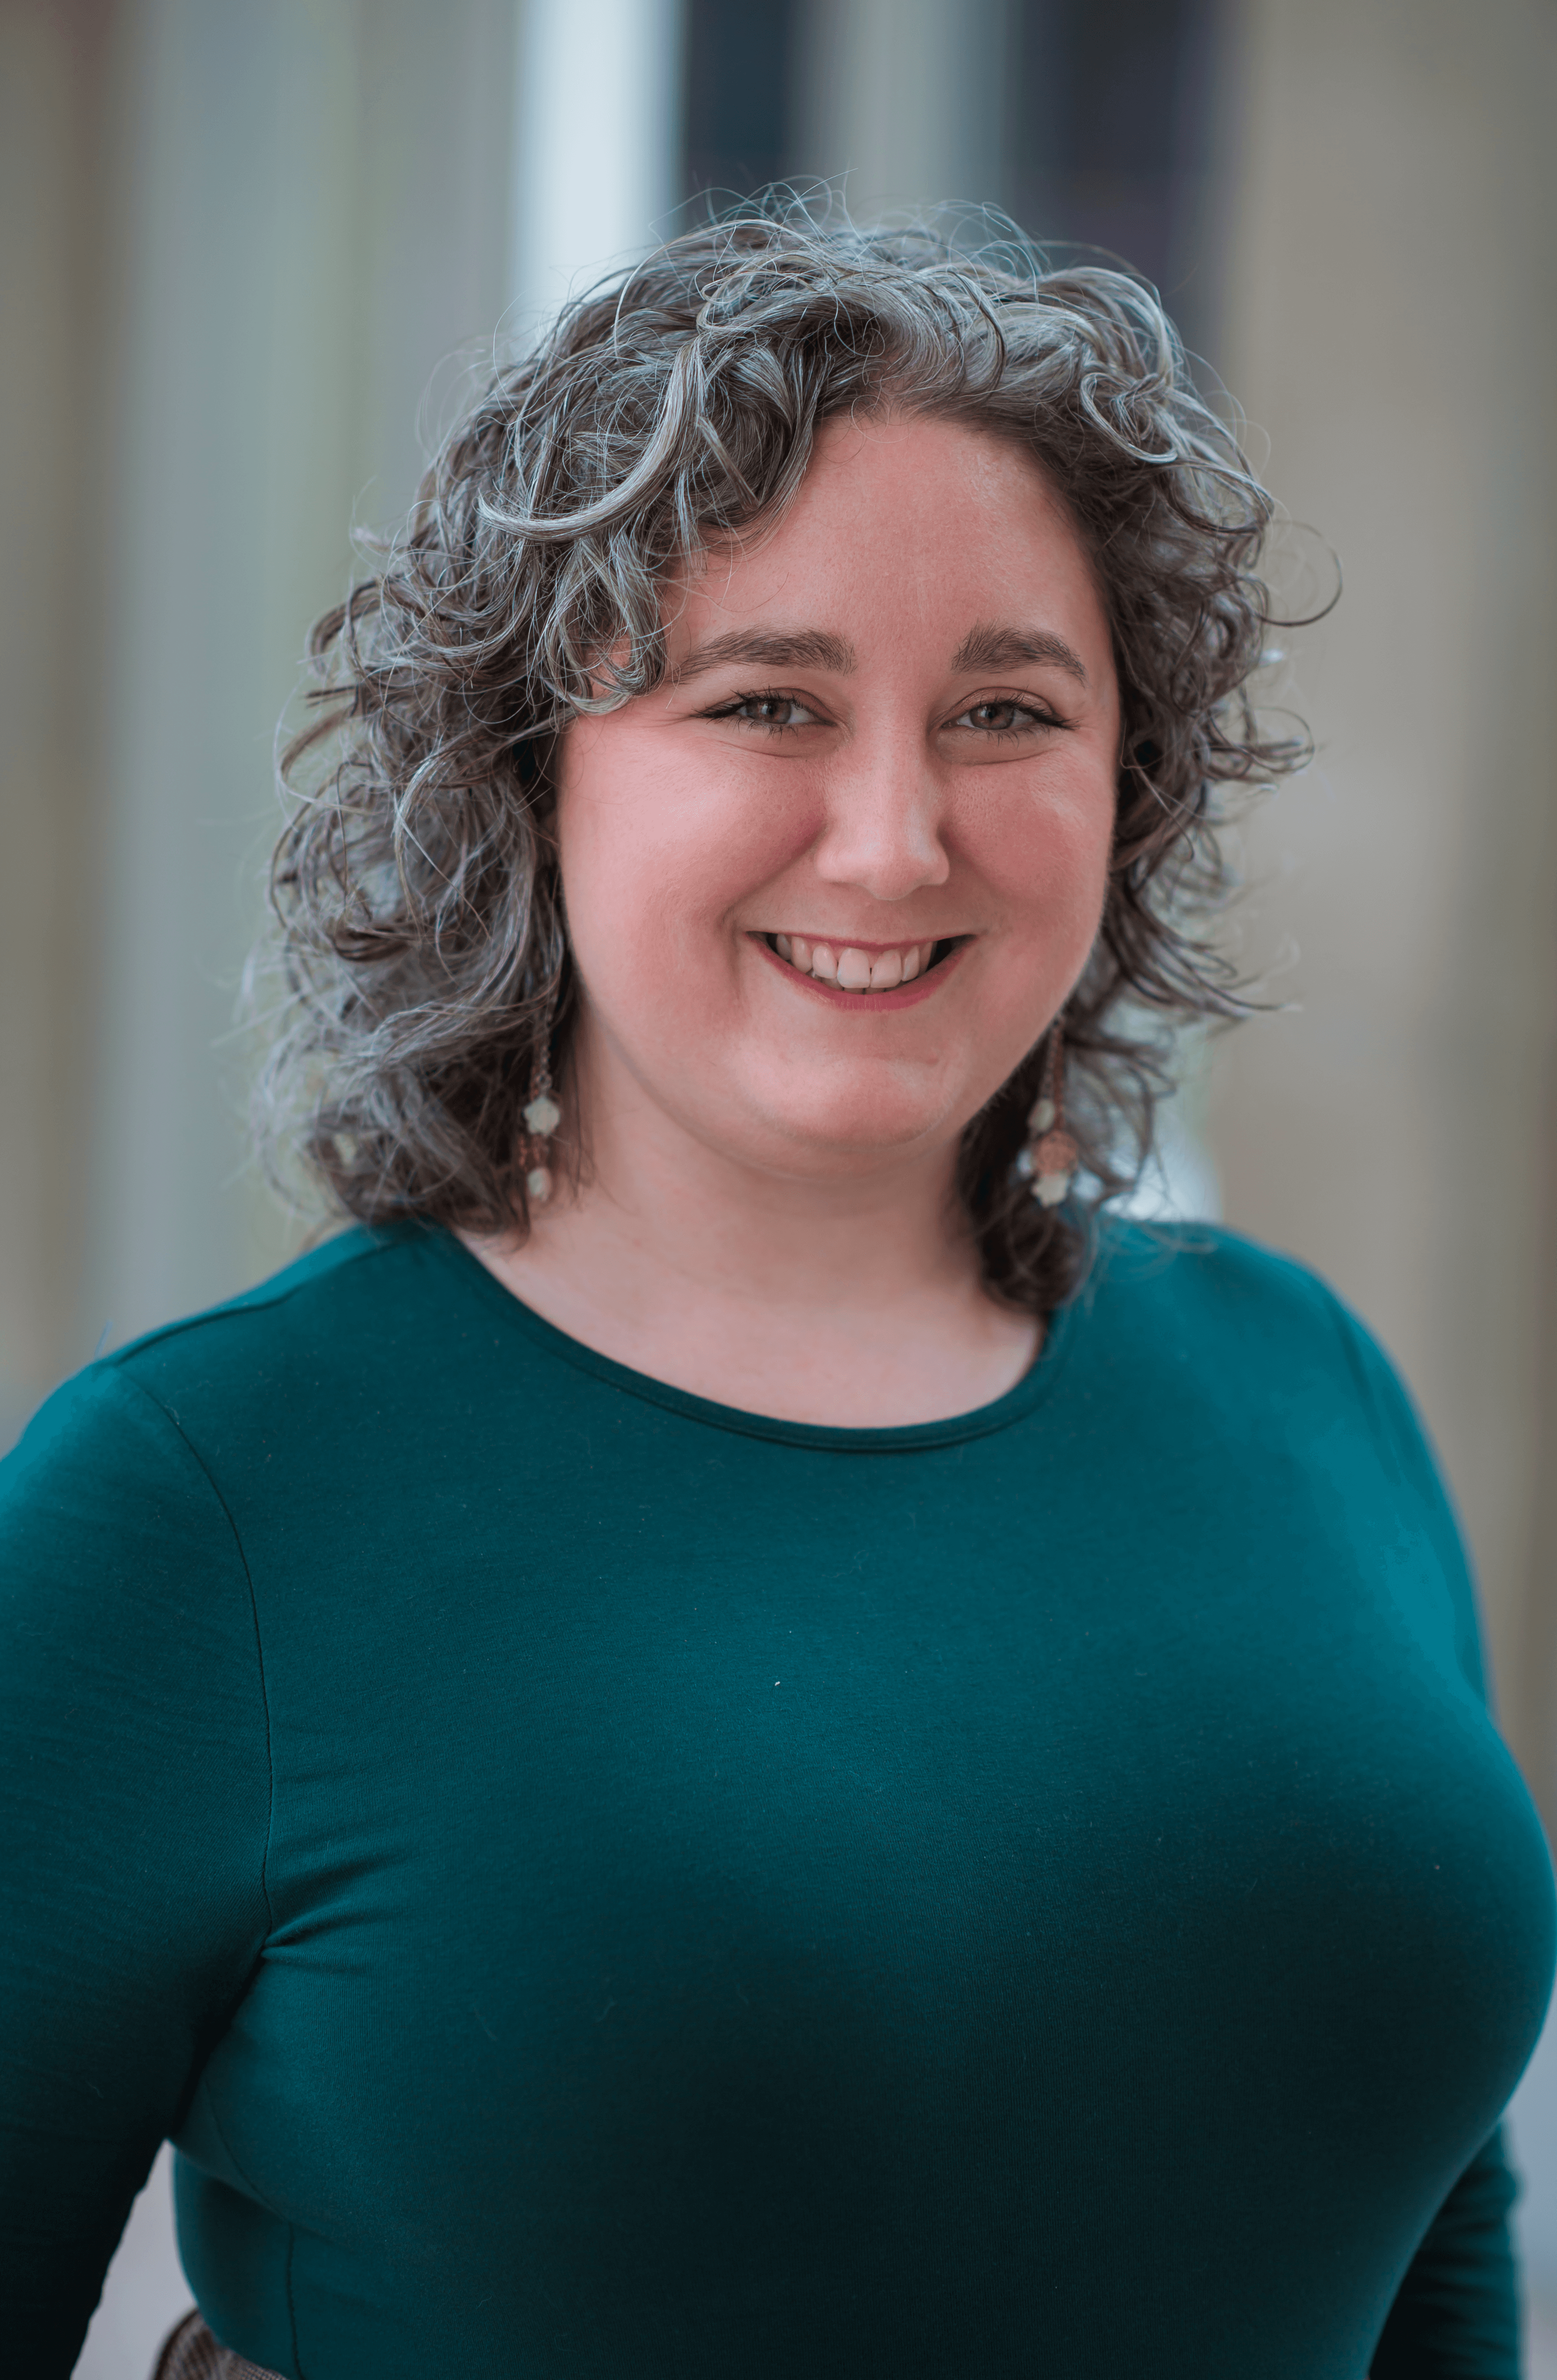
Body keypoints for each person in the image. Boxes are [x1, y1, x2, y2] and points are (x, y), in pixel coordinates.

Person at [1, 208, 1551, 2380]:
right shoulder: (201, 1508)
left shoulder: (1305, 1388)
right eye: (768, 703)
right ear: (538, 777)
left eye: (1008, 707)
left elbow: (1429, 2225)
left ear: (1131, 780)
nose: (897, 835)